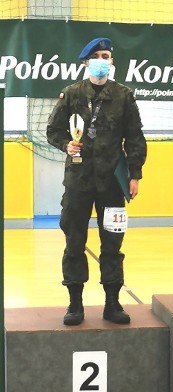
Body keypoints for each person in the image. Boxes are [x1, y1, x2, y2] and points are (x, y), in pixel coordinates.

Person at [46, 37, 147, 326]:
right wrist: (67, 144)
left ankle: (112, 303)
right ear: (86, 62)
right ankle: (75, 303)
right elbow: (53, 130)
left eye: (107, 56)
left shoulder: (124, 95)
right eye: (98, 56)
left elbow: (135, 137)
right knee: (74, 241)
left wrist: (135, 173)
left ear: (111, 62)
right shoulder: (71, 94)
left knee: (113, 243)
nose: (104, 60)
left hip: (113, 181)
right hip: (78, 180)